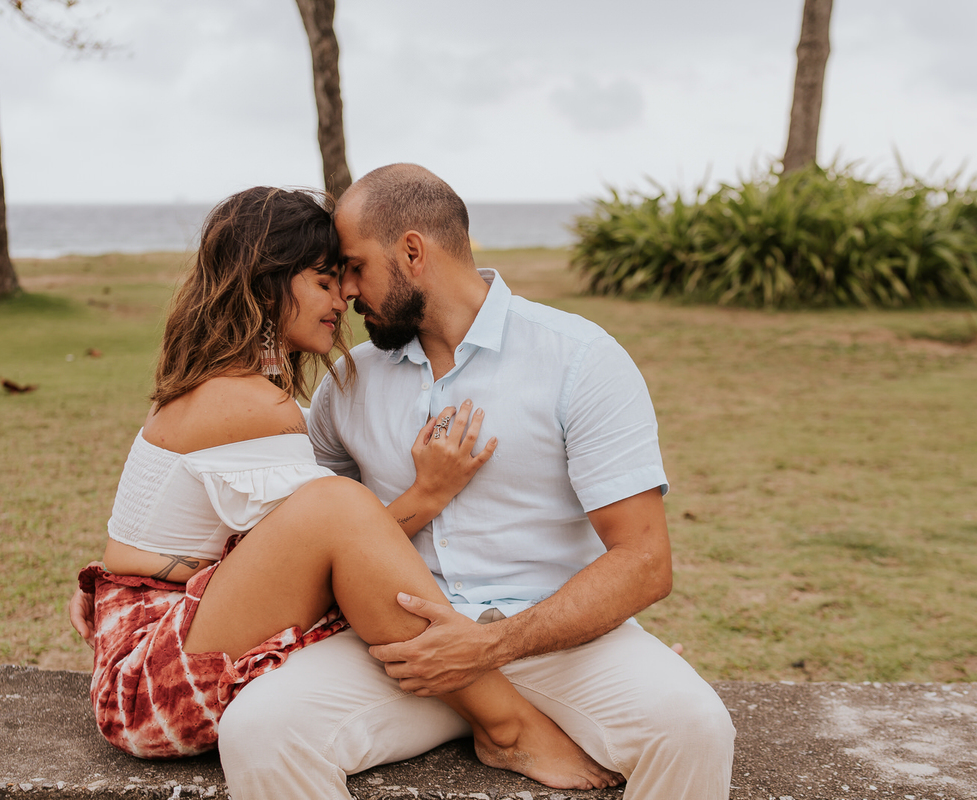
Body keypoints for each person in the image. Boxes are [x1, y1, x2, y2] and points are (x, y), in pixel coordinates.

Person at [209, 165, 737, 800]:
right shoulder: (346, 384)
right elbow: (290, 538)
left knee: (695, 729)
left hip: (560, 639)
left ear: (412, 252)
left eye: (353, 266)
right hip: (397, 651)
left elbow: (645, 561)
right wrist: (131, 583)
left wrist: (490, 646)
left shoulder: (580, 359)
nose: (345, 291)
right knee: (258, 732)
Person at [69, 185, 622, 790]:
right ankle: (511, 726)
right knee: (336, 506)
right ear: (268, 282)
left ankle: (556, 691)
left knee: (344, 532)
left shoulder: (227, 384)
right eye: (325, 279)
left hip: (162, 637)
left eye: (347, 276)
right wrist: (428, 494)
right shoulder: (250, 401)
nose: (346, 298)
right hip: (150, 678)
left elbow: (281, 551)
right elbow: (335, 540)